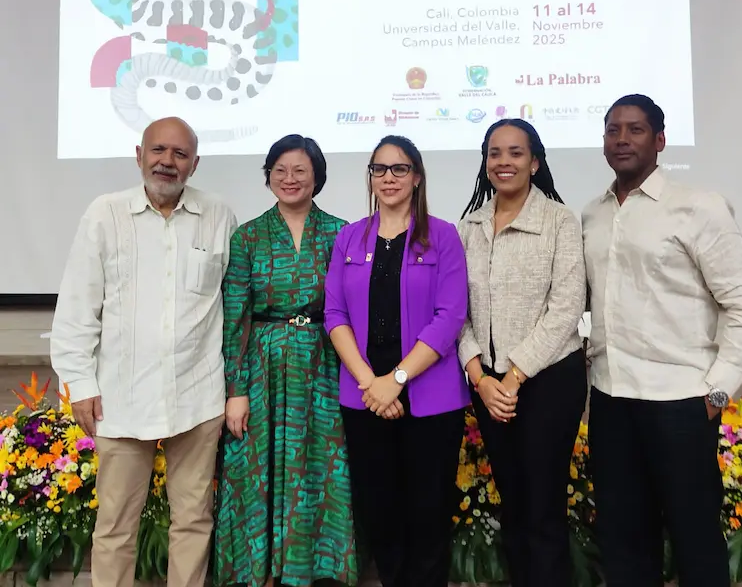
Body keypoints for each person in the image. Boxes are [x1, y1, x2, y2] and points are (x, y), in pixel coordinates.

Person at [582, 94, 742, 587]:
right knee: (624, 541)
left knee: (695, 539)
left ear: (660, 140)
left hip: (680, 403)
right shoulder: (593, 215)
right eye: (613, 130)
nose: (622, 139)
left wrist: (718, 389)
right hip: (609, 398)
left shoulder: (697, 208)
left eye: (636, 130)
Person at [50, 117, 237, 587]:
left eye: (179, 154)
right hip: (121, 397)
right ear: (139, 154)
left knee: (193, 522)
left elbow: (234, 309)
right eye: (158, 150)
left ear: (195, 164)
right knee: (114, 528)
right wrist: (80, 385)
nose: (166, 162)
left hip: (197, 399)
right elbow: (77, 307)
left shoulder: (219, 216)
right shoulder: (104, 214)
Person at [324, 135, 469, 587]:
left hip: (430, 399)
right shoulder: (349, 236)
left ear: (417, 177)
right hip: (366, 398)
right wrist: (372, 382)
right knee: (380, 514)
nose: (389, 178)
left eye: (399, 169)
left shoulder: (442, 235)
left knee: (427, 517)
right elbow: (334, 313)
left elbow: (450, 316)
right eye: (379, 169)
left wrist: (398, 378)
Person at [214, 134, 358, 587]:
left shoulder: (343, 232)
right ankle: (259, 570)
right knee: (256, 470)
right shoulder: (248, 236)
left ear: (317, 177)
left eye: (300, 170)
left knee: (321, 463)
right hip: (261, 367)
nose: (290, 178)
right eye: (280, 170)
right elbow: (234, 318)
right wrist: (236, 391)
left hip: (325, 364)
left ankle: (314, 568)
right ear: (268, 177)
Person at [458, 118, 588, 587]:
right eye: (495, 153)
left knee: (542, 505)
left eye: (515, 153)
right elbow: (456, 310)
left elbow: (567, 306)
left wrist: (513, 378)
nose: (504, 162)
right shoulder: (468, 226)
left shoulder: (559, 220)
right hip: (489, 384)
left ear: (534, 162)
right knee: (512, 500)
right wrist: (480, 376)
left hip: (547, 381)